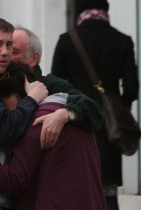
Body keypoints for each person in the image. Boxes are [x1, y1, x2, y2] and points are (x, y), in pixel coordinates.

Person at [0, 16, 104, 209]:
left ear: (33, 59)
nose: (6, 54)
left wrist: (65, 114)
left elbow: (95, 110)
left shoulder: (47, 94)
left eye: (13, 49)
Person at [0, 61, 107, 210]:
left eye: (2, 102)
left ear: (17, 97)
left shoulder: (37, 122)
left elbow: (14, 179)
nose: (3, 111)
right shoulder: (74, 112)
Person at [51, 1, 139, 210]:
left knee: (77, 183)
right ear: (105, 11)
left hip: (76, 120)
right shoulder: (122, 41)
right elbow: (132, 88)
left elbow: (55, 85)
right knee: (107, 188)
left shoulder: (67, 40)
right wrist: (116, 107)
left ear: (81, 12)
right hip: (109, 127)